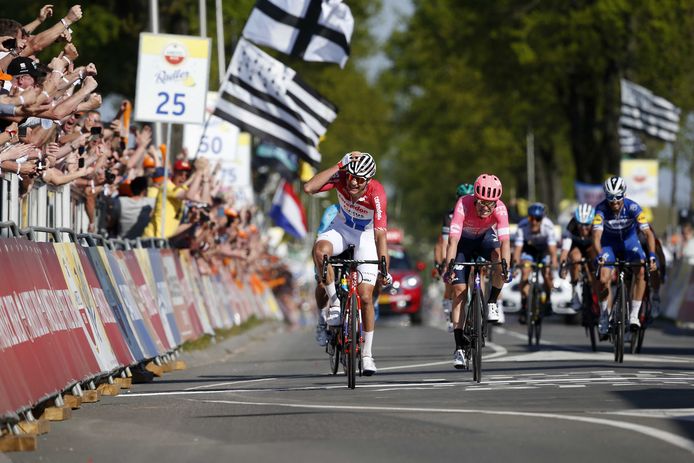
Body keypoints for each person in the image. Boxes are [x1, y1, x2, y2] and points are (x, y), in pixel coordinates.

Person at [304, 151, 391, 376]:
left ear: (368, 181)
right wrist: (339, 165)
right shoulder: (342, 178)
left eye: (360, 179)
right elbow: (309, 188)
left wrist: (383, 265)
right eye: (350, 176)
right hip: (341, 229)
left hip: (366, 236)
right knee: (320, 251)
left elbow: (381, 234)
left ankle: (367, 355)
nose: (353, 182)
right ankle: (334, 303)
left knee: (365, 296)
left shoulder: (377, 193)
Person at [443, 173, 511, 369]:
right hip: (463, 244)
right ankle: (458, 348)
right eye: (481, 202)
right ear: (475, 197)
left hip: (484, 239)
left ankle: (491, 302)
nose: (485, 207)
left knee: (499, 259)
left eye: (490, 203)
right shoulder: (463, 203)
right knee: (459, 292)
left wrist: (505, 266)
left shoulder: (500, 208)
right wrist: (450, 266)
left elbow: (505, 241)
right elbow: (453, 240)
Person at [593, 176, 657, 336]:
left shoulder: (633, 208)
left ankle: (634, 315)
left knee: (641, 270)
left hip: (630, 243)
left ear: (624, 194)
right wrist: (599, 254)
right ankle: (603, 315)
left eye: (618, 197)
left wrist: (652, 256)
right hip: (609, 245)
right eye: (610, 197)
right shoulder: (600, 210)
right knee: (602, 278)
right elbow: (596, 237)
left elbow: (648, 233)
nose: (614, 201)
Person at [434, 183, 474, 332]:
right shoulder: (449, 216)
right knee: (450, 280)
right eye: (461, 198)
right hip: (454, 246)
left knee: (480, 271)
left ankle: (479, 305)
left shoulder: (478, 211)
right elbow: (445, 242)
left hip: (471, 247)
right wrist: (445, 263)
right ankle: (449, 310)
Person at [513, 202, 558, 323]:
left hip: (544, 250)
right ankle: (525, 304)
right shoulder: (522, 226)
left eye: (537, 219)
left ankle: (548, 300)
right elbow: (518, 249)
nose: (534, 222)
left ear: (542, 219)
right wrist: (515, 265)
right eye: (531, 218)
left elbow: (552, 250)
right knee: (525, 272)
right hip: (529, 250)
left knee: (547, 273)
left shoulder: (548, 227)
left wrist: (553, 263)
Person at [559, 203, 596, 309]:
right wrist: (563, 265)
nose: (584, 229)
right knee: (575, 258)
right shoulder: (571, 226)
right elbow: (565, 250)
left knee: (594, 259)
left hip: (591, 245)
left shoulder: (597, 225)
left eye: (587, 225)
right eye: (580, 225)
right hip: (577, 246)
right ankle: (574, 291)